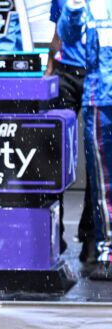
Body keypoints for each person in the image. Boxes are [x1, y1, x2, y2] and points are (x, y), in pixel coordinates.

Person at [58, 0, 112, 280]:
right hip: (99, 94)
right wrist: (74, 7)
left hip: (99, 92)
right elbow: (66, 35)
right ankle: (106, 251)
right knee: (102, 181)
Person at [47, 0, 95, 263]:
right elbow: (56, 33)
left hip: (97, 75)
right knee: (53, 156)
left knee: (96, 159)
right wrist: (49, 70)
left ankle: (92, 238)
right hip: (64, 76)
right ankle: (55, 235)